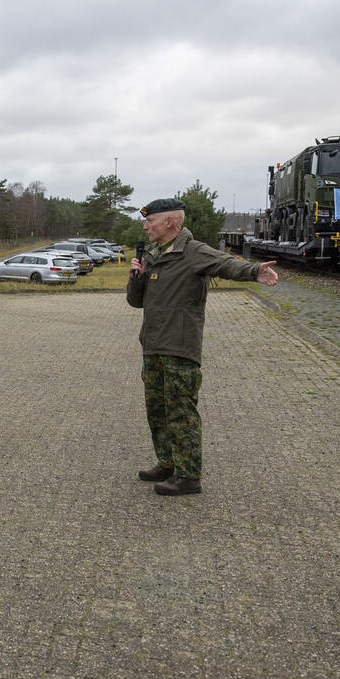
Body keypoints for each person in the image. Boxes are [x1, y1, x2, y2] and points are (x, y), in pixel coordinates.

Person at [127, 198, 278, 497]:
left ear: (170, 221)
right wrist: (137, 277)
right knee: (157, 411)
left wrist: (254, 270)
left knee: (181, 412)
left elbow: (225, 263)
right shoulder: (155, 255)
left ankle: (188, 476)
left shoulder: (193, 251)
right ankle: (167, 463)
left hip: (180, 348)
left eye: (150, 221)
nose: (145, 227)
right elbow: (136, 301)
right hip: (153, 346)